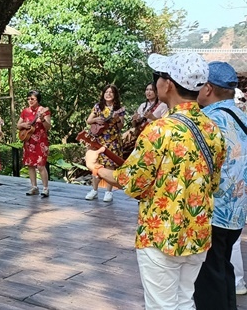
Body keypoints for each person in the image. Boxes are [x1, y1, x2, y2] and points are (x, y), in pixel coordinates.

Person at [85, 52, 226, 310]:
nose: (157, 83)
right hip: (198, 232)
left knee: (161, 305)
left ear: (169, 84)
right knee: (184, 300)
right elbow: (213, 183)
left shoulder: (160, 129)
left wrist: (95, 167)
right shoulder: (212, 128)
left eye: (159, 77)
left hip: (161, 233)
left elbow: (131, 182)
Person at [194, 61, 247, 310]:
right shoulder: (242, 117)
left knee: (208, 281)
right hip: (237, 213)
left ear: (207, 88)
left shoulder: (206, 121)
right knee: (223, 269)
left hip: (212, 213)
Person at [84, 84, 125, 202]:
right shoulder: (98, 106)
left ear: (115, 95)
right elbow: (89, 120)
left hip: (113, 139)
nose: (108, 94)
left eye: (111, 92)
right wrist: (96, 119)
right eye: (106, 92)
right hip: (99, 139)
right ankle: (94, 190)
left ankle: (108, 192)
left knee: (110, 165)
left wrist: (117, 120)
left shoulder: (119, 109)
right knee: (96, 164)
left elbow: (121, 126)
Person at [17, 90, 51, 198]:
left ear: (37, 99)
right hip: (28, 141)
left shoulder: (43, 111)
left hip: (40, 142)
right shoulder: (25, 111)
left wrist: (42, 119)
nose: (29, 101)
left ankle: (45, 188)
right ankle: (34, 187)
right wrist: (24, 125)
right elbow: (18, 125)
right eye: (28, 99)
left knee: (41, 165)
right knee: (30, 165)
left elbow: (48, 127)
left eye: (32, 99)